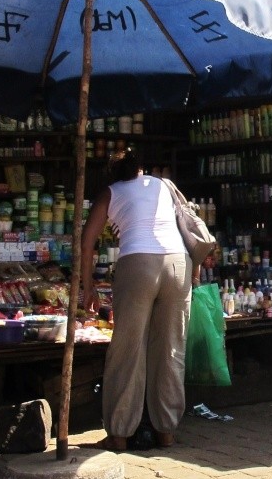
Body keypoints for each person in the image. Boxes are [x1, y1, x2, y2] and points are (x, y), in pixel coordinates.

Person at [81, 148, 192, 451]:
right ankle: (166, 431)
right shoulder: (164, 185)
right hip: (178, 262)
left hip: (138, 264)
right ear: (141, 169)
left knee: (128, 349)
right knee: (170, 348)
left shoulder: (111, 192)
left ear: (113, 174)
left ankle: (119, 434)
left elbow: (87, 241)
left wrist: (88, 285)